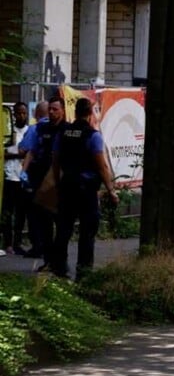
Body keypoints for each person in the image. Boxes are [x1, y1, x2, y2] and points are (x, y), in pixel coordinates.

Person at [51, 97, 118, 280]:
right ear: (90, 114)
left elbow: (55, 161)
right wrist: (111, 190)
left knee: (63, 229)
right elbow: (101, 166)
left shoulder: (63, 134)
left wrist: (57, 183)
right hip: (86, 190)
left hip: (67, 187)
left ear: (75, 112)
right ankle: (84, 272)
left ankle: (58, 269)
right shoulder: (92, 136)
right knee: (87, 232)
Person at [22, 98, 64, 268]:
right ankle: (48, 261)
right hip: (41, 181)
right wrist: (24, 171)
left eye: (55, 109)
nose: (52, 113)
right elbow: (31, 151)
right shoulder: (41, 128)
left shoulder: (66, 130)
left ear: (62, 111)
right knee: (44, 225)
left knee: (61, 225)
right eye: (50, 110)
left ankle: (60, 262)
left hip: (58, 182)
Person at [2, 102, 30, 256]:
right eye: (18, 113)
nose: (21, 116)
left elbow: (30, 152)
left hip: (23, 178)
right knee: (7, 212)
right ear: (14, 115)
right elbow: (4, 153)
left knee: (21, 213)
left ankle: (18, 243)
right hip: (9, 176)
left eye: (24, 113)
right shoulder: (8, 132)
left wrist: (19, 153)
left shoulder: (29, 132)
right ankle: (7, 243)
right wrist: (18, 154)